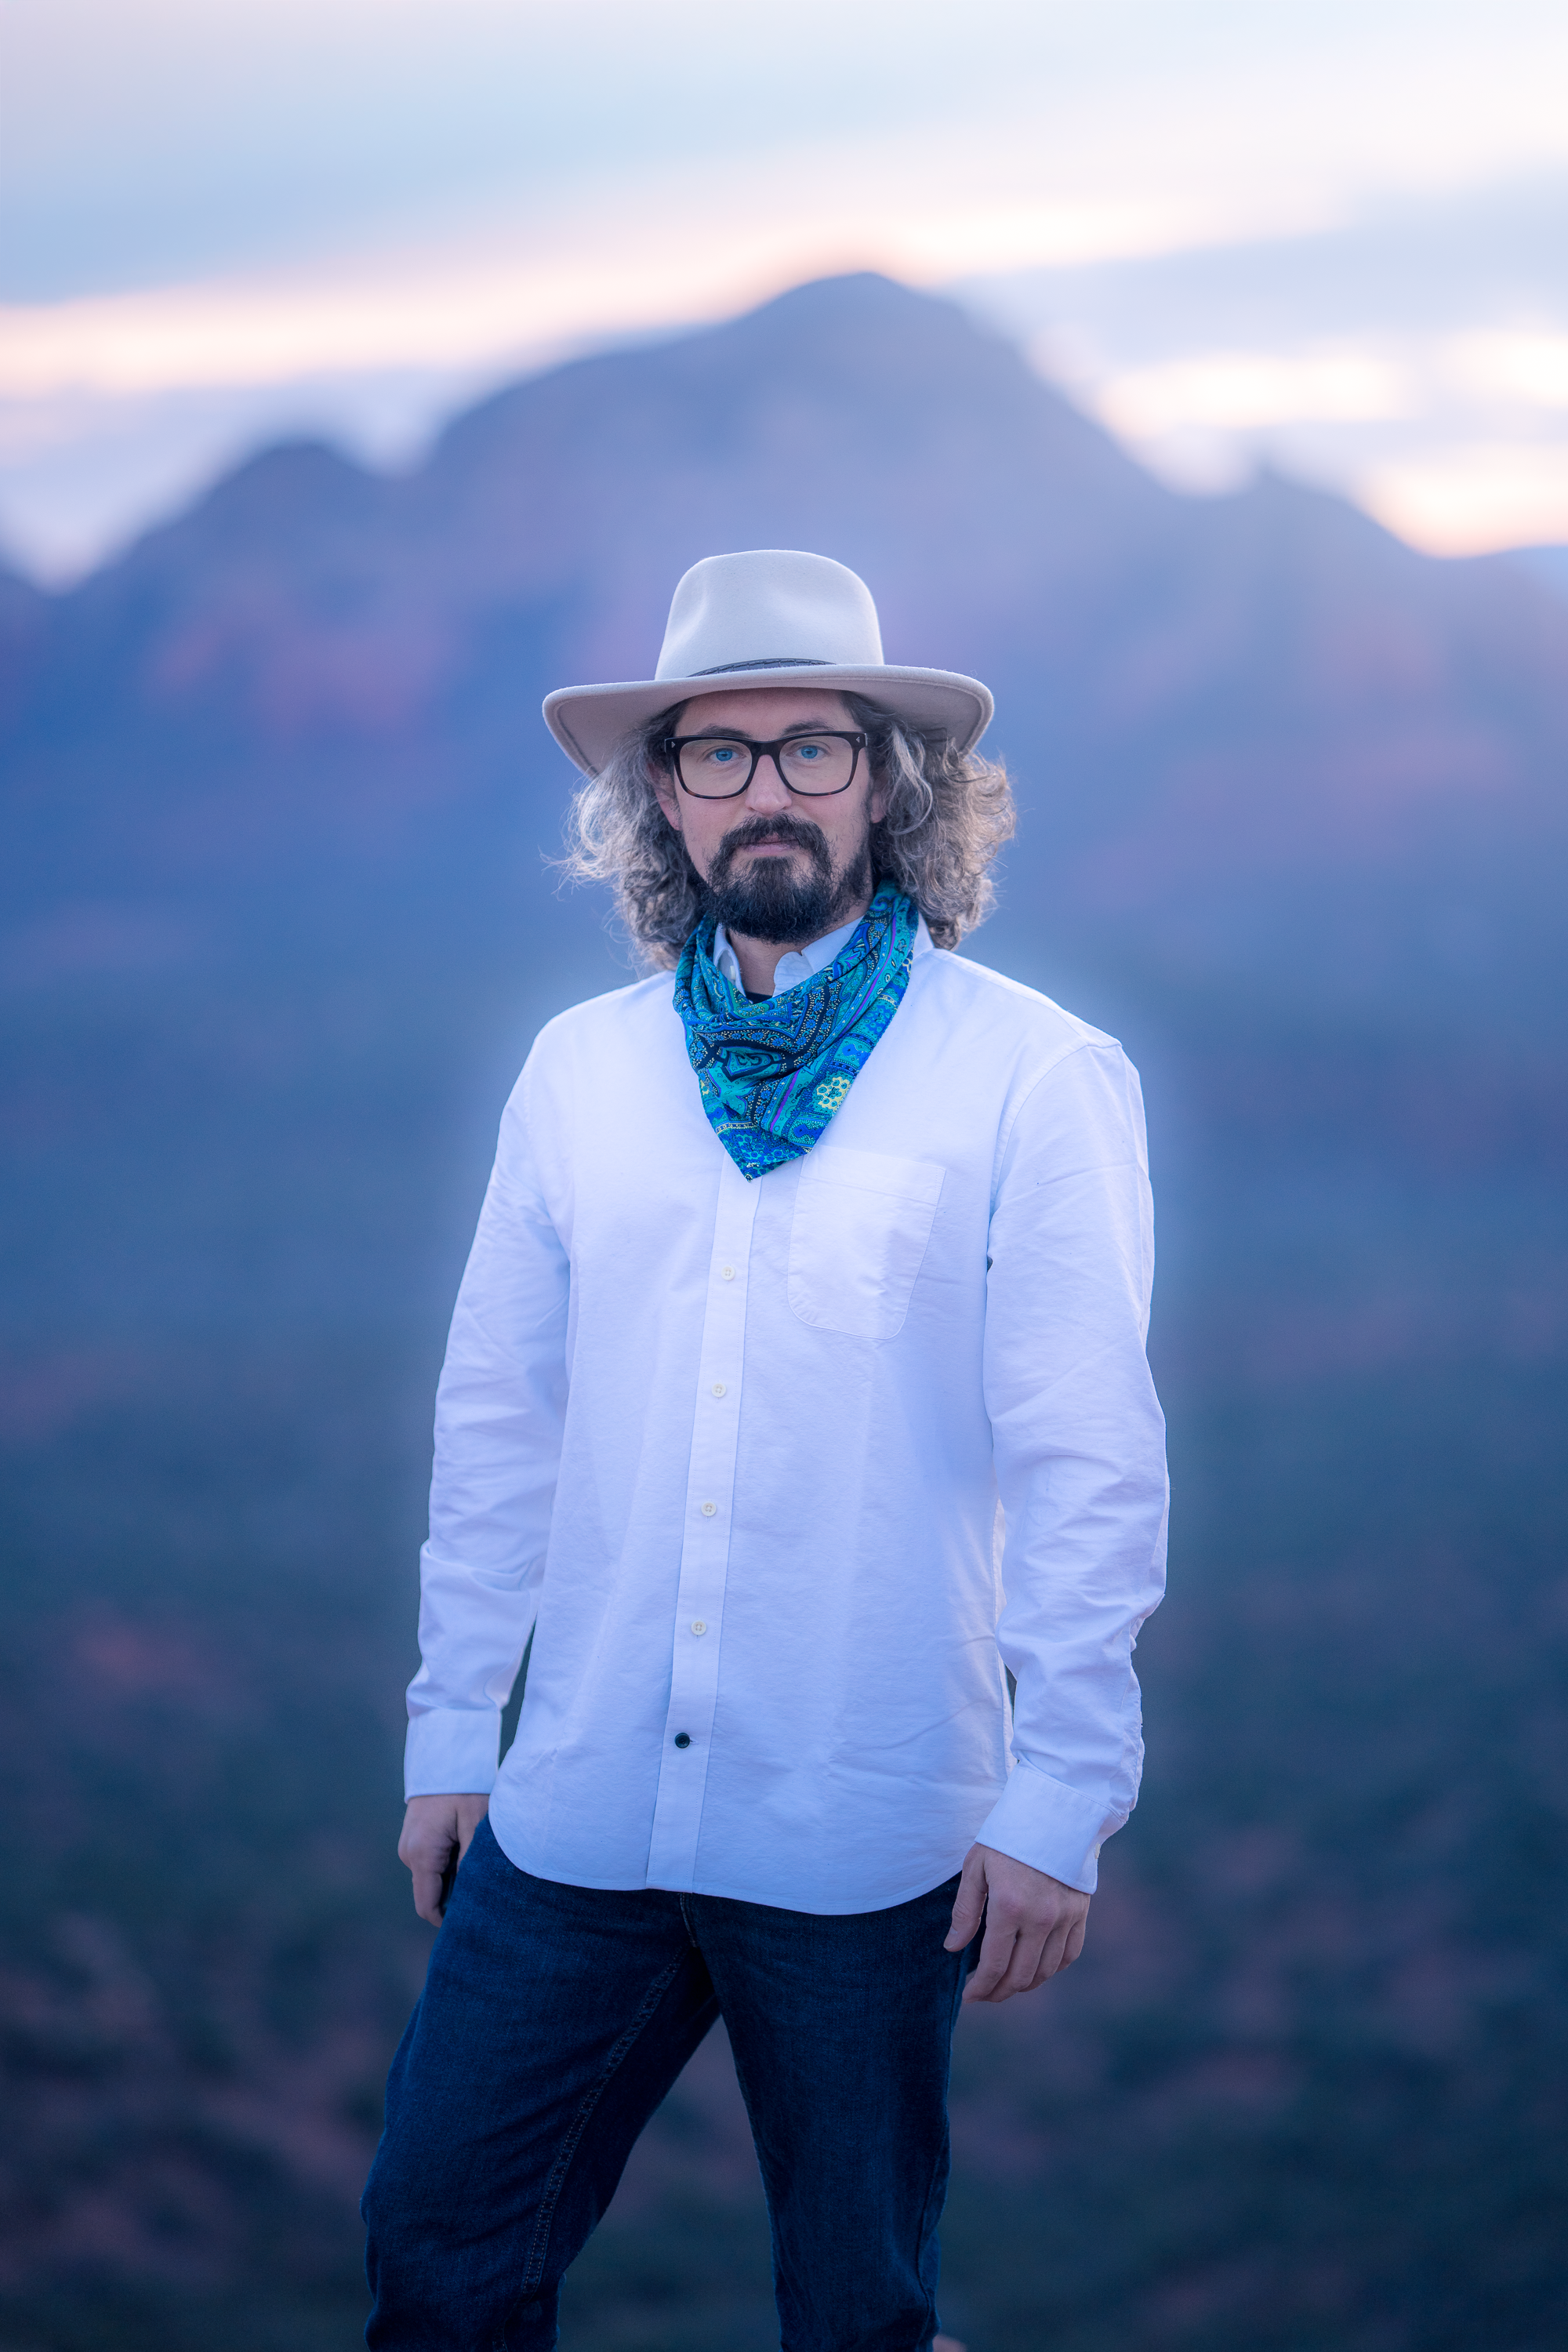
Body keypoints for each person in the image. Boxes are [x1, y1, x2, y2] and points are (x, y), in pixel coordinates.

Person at [361, 550, 1168, 2350]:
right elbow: (500, 1417)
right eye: (716, 756)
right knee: (439, 2253)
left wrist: (1062, 1792)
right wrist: (448, 1729)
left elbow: (1087, 1455)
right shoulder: (579, 1071)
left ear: (887, 777)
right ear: (659, 794)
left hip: (866, 1820)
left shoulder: (1032, 1077)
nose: (767, 791)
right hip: (577, 1807)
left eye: (813, 745)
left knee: (853, 2309)